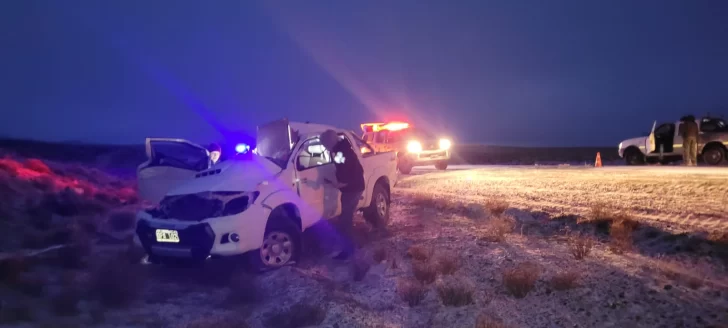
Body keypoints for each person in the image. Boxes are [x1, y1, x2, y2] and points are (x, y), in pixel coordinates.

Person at [319, 129, 365, 260]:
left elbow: (344, 176)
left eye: (325, 144)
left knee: (345, 220)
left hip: (352, 189)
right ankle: (353, 245)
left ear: (330, 142)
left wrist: (335, 183)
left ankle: (349, 250)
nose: (325, 147)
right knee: (346, 218)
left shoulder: (341, 153)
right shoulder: (344, 149)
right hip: (355, 186)